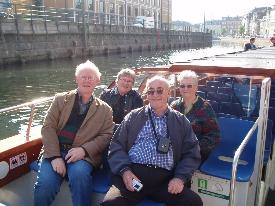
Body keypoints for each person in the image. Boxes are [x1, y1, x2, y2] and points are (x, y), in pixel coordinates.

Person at [101, 76, 202, 206]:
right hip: (133, 177)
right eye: (150, 91)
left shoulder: (180, 120)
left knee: (193, 202)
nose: (155, 95)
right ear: (147, 94)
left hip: (164, 181)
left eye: (160, 91)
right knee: (111, 203)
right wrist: (125, 172)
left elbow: (191, 153)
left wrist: (179, 178)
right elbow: (116, 146)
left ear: (168, 93)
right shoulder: (133, 117)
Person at [33, 60, 113, 206]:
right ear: (76, 79)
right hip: (55, 151)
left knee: (80, 176)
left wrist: (84, 150)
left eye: (91, 77)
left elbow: (106, 136)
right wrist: (55, 156)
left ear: (97, 80)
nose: (87, 80)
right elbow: (48, 127)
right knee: (45, 184)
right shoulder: (60, 99)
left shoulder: (105, 110)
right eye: (83, 76)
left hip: (83, 157)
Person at [170, 70, 221, 162]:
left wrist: (194, 148)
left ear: (196, 87)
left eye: (189, 86)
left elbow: (214, 135)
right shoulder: (174, 105)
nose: (185, 89)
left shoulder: (205, 107)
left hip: (195, 153)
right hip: (174, 151)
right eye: (182, 86)